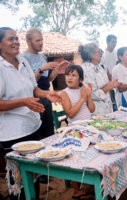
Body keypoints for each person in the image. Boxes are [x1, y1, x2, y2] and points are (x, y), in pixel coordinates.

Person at [0, 27, 62, 199]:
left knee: (32, 176)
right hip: (14, 133)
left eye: (16, 39)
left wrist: (47, 94)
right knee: (18, 180)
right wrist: (23, 102)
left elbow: (33, 89)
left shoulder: (23, 61)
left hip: (33, 126)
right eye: (10, 39)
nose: (15, 42)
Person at [22, 28, 69, 139]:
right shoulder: (23, 59)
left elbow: (48, 80)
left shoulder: (42, 56)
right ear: (29, 42)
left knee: (48, 131)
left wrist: (57, 70)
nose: (41, 43)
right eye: (38, 40)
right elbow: (29, 83)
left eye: (42, 40)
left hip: (46, 98)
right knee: (37, 133)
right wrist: (41, 69)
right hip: (35, 100)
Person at [60, 65, 95, 199]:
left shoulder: (82, 89)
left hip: (88, 127)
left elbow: (91, 109)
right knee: (75, 159)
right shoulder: (64, 93)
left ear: (80, 79)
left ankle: (89, 185)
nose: (69, 77)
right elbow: (70, 113)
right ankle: (76, 189)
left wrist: (88, 96)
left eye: (74, 75)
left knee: (89, 157)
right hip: (75, 130)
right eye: (68, 74)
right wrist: (82, 98)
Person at [79, 43, 119, 115]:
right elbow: (90, 94)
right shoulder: (85, 70)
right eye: (99, 51)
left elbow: (106, 86)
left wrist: (112, 85)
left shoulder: (100, 68)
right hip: (95, 112)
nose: (101, 53)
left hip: (107, 110)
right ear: (91, 54)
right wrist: (107, 87)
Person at [101, 34, 118, 111]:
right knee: (111, 100)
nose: (114, 44)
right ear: (107, 42)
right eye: (113, 42)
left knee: (117, 100)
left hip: (117, 80)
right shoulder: (103, 55)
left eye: (115, 42)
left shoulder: (116, 54)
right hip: (107, 81)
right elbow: (102, 69)